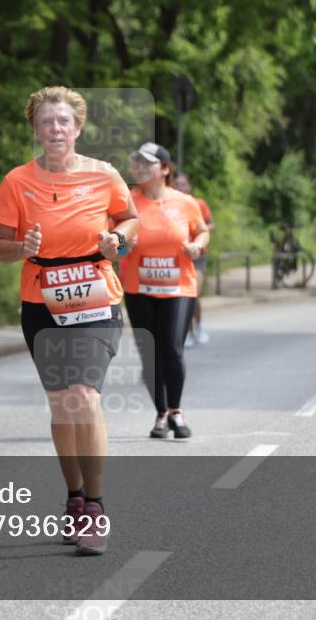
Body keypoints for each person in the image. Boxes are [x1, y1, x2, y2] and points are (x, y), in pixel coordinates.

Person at [0, 86, 138, 555]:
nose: (55, 129)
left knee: (83, 395)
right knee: (60, 406)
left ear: (78, 128)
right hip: (41, 301)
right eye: (47, 122)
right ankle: (73, 497)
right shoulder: (16, 181)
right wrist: (21, 249)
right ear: (35, 128)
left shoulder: (104, 175)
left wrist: (118, 238)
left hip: (95, 296)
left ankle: (95, 507)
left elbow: (131, 219)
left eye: (63, 122)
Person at [121, 145, 208, 439]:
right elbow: (113, 237)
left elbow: (201, 230)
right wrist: (120, 244)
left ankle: (176, 410)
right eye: (136, 162)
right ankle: (160, 414)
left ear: (165, 169)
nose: (140, 167)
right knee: (150, 353)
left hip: (178, 286)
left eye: (148, 163)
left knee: (171, 347)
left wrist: (197, 246)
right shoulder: (126, 203)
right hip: (138, 287)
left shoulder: (185, 202)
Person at [170, 172, 214, 346]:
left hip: (197, 256)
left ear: (189, 187)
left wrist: (196, 232)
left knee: (193, 293)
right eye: (177, 184)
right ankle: (186, 332)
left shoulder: (198, 203)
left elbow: (210, 224)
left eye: (183, 184)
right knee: (182, 296)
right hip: (177, 257)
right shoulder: (170, 204)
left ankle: (199, 326)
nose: (180, 187)